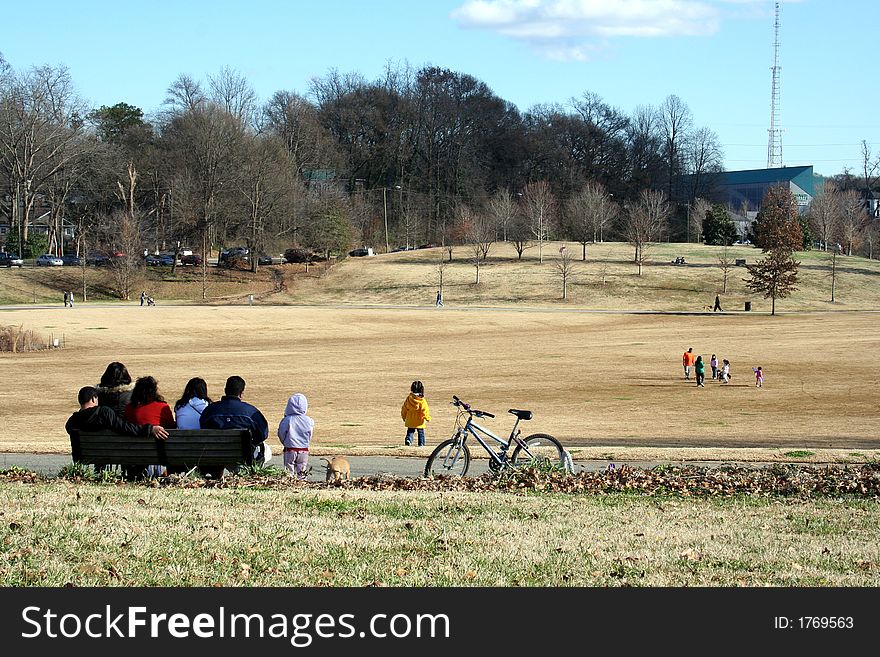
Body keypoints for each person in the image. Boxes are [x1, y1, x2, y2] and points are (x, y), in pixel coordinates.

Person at [200, 375, 270, 475]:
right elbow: (263, 434)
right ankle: (249, 475)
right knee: (266, 449)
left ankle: (217, 475)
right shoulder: (250, 411)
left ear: (225, 390)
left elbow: (203, 428)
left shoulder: (210, 410)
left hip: (215, 453)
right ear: (241, 393)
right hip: (243, 455)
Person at [66, 386, 169, 442]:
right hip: (109, 452)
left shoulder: (72, 422)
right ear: (93, 398)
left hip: (87, 454)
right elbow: (124, 427)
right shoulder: (103, 413)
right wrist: (149, 429)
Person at [123, 376, 176, 478]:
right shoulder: (162, 407)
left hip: (134, 455)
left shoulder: (129, 409)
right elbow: (172, 429)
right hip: (159, 457)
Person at [277, 393, 314, 480]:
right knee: (302, 470)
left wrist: (285, 442)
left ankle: (290, 485)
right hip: (304, 450)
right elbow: (310, 434)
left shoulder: (287, 420)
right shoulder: (309, 421)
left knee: (289, 470)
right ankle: (302, 484)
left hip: (290, 449)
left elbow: (281, 433)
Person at [401, 380, 431, 447]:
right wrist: (427, 417)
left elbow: (404, 408)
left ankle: (408, 440)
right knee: (421, 433)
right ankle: (421, 444)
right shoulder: (422, 400)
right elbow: (425, 410)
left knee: (410, 431)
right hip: (419, 421)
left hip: (410, 420)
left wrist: (404, 417)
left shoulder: (408, 399)